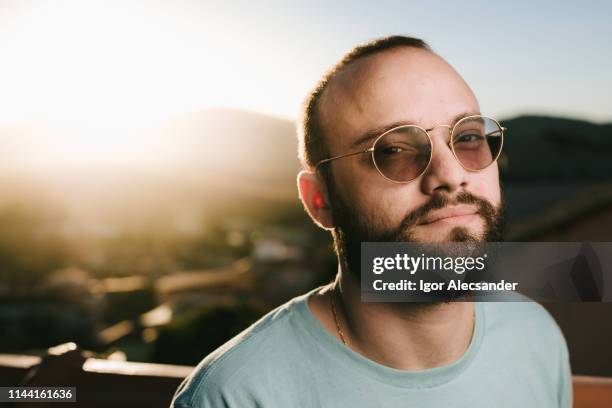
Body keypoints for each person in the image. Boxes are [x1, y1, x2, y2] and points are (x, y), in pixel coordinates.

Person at [171, 35, 572, 407]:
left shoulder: (535, 336)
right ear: (319, 199)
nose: (450, 175)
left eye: (467, 137)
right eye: (394, 149)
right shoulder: (236, 395)